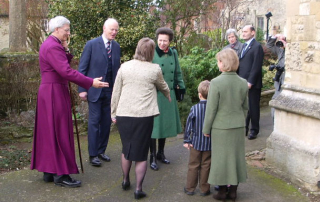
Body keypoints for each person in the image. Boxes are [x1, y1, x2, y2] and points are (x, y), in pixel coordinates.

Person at [30, 16, 108, 188]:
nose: (68, 33)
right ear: (56, 29)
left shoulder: (52, 44)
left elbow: (61, 68)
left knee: (50, 131)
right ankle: (61, 175)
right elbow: (66, 72)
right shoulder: (52, 46)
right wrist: (90, 82)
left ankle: (49, 171)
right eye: (66, 30)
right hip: (53, 92)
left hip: (51, 91)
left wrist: (65, 49)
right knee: (60, 131)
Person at [111, 38, 171, 200]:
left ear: (137, 49)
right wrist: (168, 94)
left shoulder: (125, 67)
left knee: (127, 148)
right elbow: (163, 85)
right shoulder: (154, 69)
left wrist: (113, 113)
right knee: (141, 152)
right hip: (144, 116)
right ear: (151, 52)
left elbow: (116, 91)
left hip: (124, 114)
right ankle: (138, 189)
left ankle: (125, 180)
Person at [203, 48, 248, 202]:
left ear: (223, 63)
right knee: (236, 158)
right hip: (238, 126)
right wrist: (241, 121)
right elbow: (246, 107)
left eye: (218, 61)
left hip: (220, 127)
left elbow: (211, 109)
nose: (217, 64)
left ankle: (222, 192)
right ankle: (233, 192)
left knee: (221, 160)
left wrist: (206, 128)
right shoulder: (243, 83)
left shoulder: (216, 82)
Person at [78, 18, 121, 166]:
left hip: (110, 92)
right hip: (94, 91)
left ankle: (102, 151)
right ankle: (93, 154)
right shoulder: (91, 45)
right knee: (94, 123)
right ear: (104, 28)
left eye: (116, 30)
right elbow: (82, 68)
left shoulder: (116, 47)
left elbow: (117, 71)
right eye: (112, 29)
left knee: (106, 122)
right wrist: (82, 89)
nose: (114, 32)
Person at [150, 27, 186, 171]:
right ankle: (152, 156)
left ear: (169, 41)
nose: (162, 43)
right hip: (155, 94)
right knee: (155, 127)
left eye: (165, 41)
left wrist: (181, 87)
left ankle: (161, 153)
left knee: (164, 125)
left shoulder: (173, 53)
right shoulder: (151, 52)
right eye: (160, 40)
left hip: (169, 94)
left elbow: (177, 71)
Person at [183, 80, 211, 196]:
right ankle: (204, 189)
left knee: (193, 165)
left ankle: (190, 188)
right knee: (206, 165)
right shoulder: (213, 109)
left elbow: (189, 125)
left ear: (199, 94)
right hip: (209, 143)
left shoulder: (194, 108)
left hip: (195, 142)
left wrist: (187, 140)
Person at [238, 25, 264, 140]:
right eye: (242, 32)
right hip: (242, 81)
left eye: (246, 31)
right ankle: (245, 128)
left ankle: (254, 130)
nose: (243, 34)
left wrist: (251, 81)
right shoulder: (244, 46)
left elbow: (256, 66)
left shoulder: (257, 46)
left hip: (252, 83)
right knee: (244, 106)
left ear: (253, 33)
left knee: (253, 107)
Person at [266, 34, 286, 118]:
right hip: (279, 83)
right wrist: (275, 37)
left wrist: (287, 44)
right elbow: (269, 45)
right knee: (274, 103)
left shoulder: (293, 51)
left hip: (286, 83)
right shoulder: (281, 51)